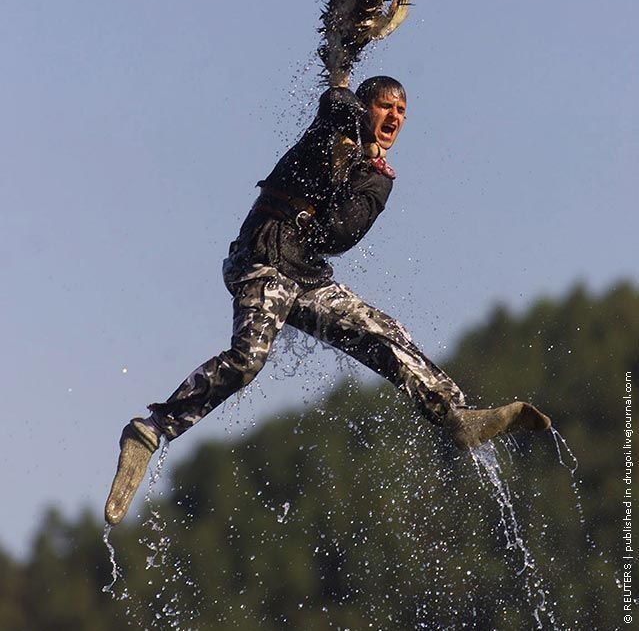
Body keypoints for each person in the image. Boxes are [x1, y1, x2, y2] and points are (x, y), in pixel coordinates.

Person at [105, 76, 550, 525]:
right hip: (260, 258)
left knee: (385, 333)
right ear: (365, 106)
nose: (393, 117)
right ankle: (151, 430)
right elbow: (335, 101)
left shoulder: (378, 180)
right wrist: (348, 136)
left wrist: (355, 167)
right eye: (385, 107)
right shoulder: (331, 130)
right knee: (248, 360)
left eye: (401, 113)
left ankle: (455, 416)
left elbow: (340, 235)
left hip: (306, 274)